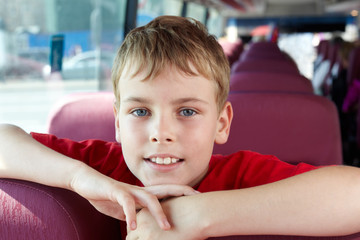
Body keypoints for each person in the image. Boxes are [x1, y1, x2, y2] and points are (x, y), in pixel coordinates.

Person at [1, 16, 360, 240]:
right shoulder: (104, 168)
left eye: (187, 111)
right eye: (140, 111)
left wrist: (201, 215)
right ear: (117, 123)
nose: (161, 132)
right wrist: (79, 178)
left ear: (221, 124)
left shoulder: (240, 176)